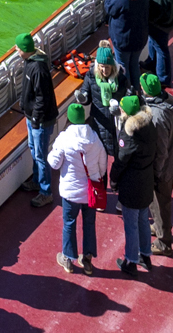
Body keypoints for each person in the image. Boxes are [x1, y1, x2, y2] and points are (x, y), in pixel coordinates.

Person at [45, 99, 111, 276]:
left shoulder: (64, 138)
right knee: (89, 223)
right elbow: (103, 163)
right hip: (91, 192)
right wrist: (98, 177)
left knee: (69, 223)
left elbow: (54, 163)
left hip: (71, 192)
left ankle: (68, 258)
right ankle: (87, 261)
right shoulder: (94, 138)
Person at [108, 94, 158, 274]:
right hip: (146, 182)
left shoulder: (129, 135)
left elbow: (121, 161)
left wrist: (113, 180)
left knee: (131, 225)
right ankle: (146, 255)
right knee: (143, 220)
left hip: (131, 186)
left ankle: (130, 261)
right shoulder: (149, 127)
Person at [15, 31, 62, 209]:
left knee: (41, 156)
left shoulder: (38, 68)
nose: (16, 50)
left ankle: (46, 192)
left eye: (18, 47)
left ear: (25, 50)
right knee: (34, 149)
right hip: (33, 117)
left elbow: (42, 97)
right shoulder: (30, 62)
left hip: (40, 120)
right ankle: (36, 180)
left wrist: (35, 118)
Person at [136, 71, 173, 253]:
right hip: (172, 160)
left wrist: (156, 172)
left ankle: (164, 243)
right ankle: (158, 226)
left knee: (160, 203)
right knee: (159, 202)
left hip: (163, 168)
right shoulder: (168, 102)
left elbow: (160, 149)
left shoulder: (156, 116)